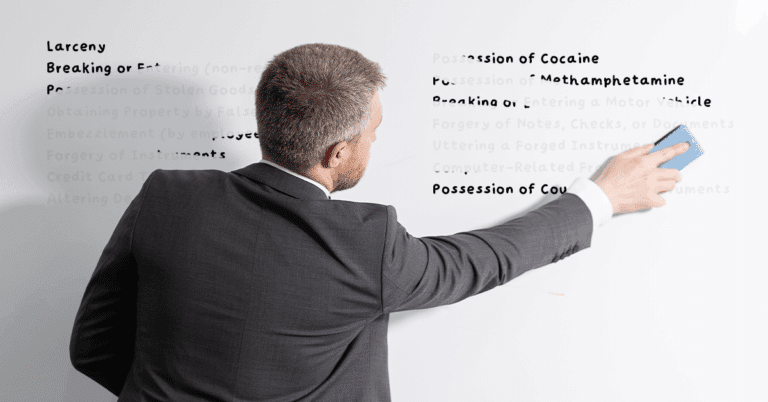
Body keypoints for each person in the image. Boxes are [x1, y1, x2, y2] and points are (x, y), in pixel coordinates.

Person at [69, 43, 689, 401]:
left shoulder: (166, 196)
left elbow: (92, 346)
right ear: (338, 153)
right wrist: (602, 196)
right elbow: (484, 258)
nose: (375, 142)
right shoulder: (365, 245)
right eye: (374, 132)